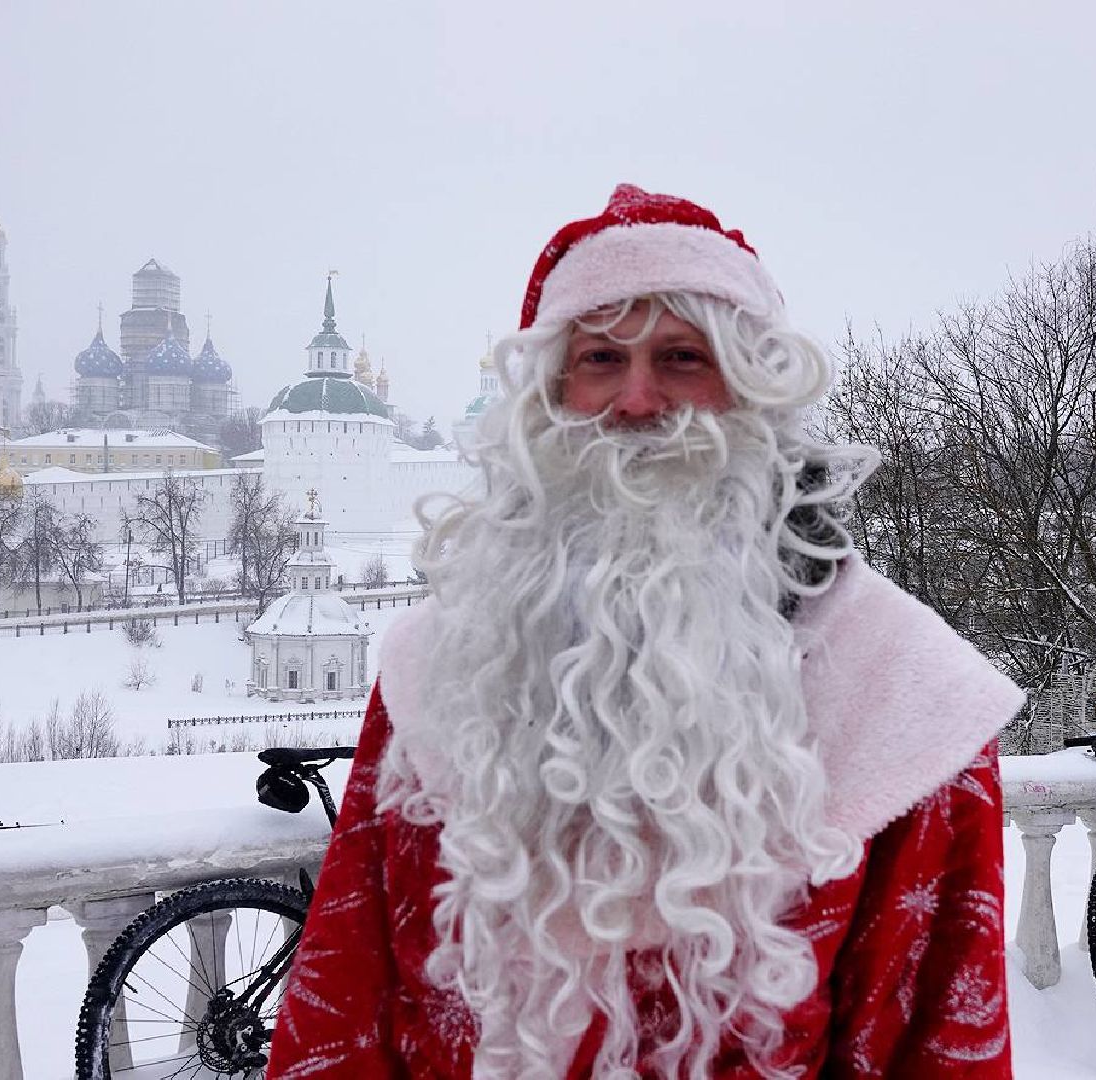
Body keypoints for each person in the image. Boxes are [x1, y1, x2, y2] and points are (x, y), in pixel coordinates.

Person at [266, 185, 1024, 1079]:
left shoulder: (900, 691)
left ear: (752, 392)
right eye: (599, 358)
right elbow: (348, 994)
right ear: (552, 398)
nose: (635, 399)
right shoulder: (444, 672)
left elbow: (939, 1037)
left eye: (681, 357)